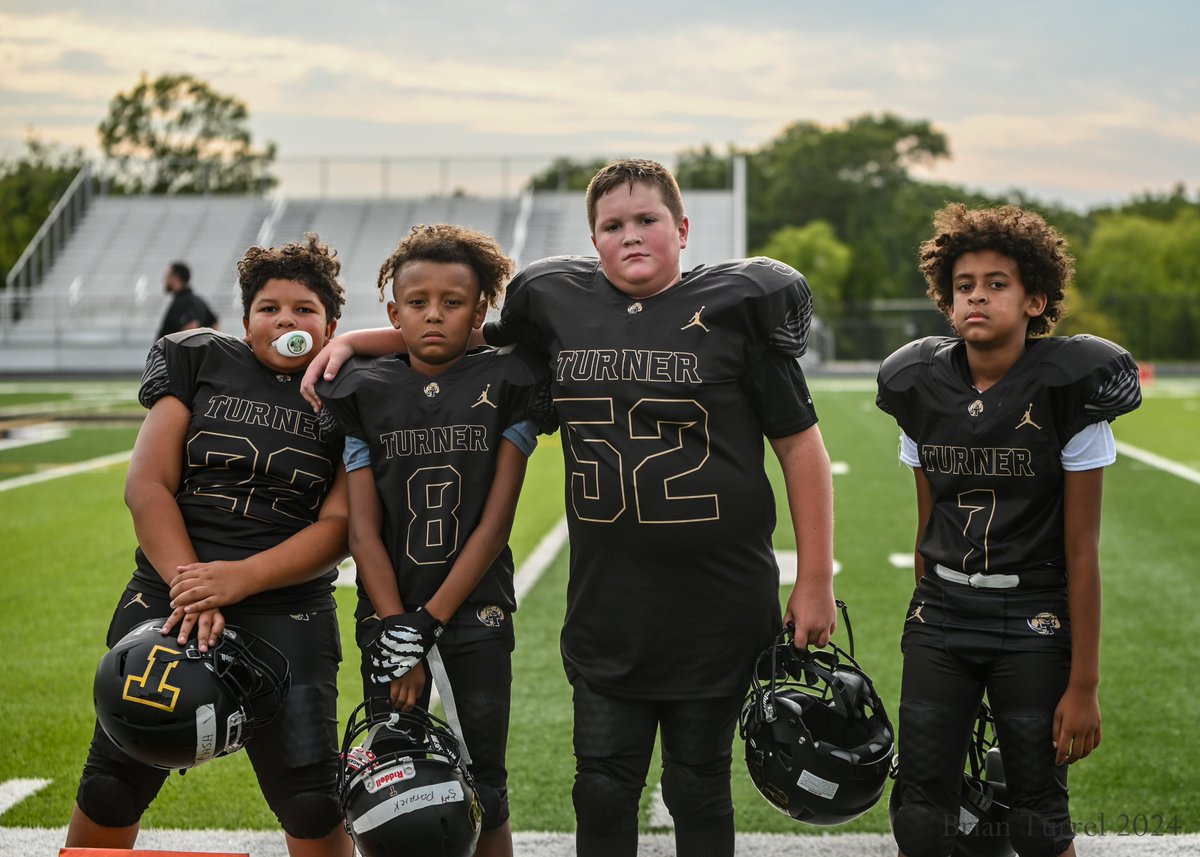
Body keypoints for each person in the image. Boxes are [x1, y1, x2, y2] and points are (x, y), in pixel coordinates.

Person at [302, 159, 837, 857]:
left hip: (719, 599)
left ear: (682, 228)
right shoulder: (560, 307)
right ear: (593, 240)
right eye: (612, 225)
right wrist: (351, 340)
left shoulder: (739, 308)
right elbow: (462, 346)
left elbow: (802, 449)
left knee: (699, 784)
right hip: (608, 601)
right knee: (603, 785)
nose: (631, 235)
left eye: (647, 220)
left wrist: (816, 576)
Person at [68, 234, 353, 857]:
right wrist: (192, 585)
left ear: (332, 325)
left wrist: (241, 580)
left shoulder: (349, 390)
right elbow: (147, 486)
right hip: (170, 591)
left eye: (304, 309)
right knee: (115, 778)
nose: (286, 320)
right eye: (269, 308)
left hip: (285, 603)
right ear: (245, 320)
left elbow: (339, 527)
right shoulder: (198, 359)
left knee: (311, 794)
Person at [876, 204, 1142, 857]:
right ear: (946, 297)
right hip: (942, 614)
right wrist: (926, 616)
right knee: (919, 814)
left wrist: (1084, 685)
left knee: (1037, 818)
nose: (977, 296)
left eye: (997, 284)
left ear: (1035, 300)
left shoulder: (1068, 388)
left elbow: (1082, 551)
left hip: (1033, 616)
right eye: (965, 284)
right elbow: (928, 525)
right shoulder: (919, 386)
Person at [317, 224, 551, 857]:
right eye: (417, 302)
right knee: (392, 787)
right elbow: (363, 531)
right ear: (393, 311)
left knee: (488, 789)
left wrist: (426, 625)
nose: (434, 315)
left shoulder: (510, 379)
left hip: (473, 611)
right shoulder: (363, 388)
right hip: (386, 613)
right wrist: (398, 629)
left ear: (480, 309)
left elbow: (494, 524)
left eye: (453, 302)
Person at [156, 261, 219, 340]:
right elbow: (214, 322)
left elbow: (192, 327)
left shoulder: (182, 302)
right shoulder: (199, 301)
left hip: (177, 352)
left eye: (167, 275)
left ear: (175, 277)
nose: (164, 279)